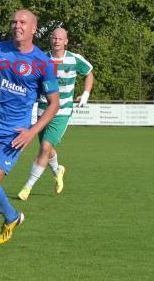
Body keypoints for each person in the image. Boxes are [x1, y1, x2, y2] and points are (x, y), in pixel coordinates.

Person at [0, 10, 60, 254]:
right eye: (14, 21)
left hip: (13, 134)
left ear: (33, 29)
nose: (16, 25)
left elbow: (54, 103)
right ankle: (12, 217)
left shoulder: (42, 63)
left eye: (22, 22)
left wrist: (31, 132)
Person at [17, 27, 93, 201]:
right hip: (43, 110)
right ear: (50, 39)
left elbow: (89, 74)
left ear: (66, 41)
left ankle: (27, 187)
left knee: (44, 147)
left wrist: (86, 94)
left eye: (60, 38)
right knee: (47, 148)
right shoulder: (42, 59)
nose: (57, 41)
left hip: (62, 111)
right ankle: (58, 171)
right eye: (54, 38)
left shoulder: (74, 59)